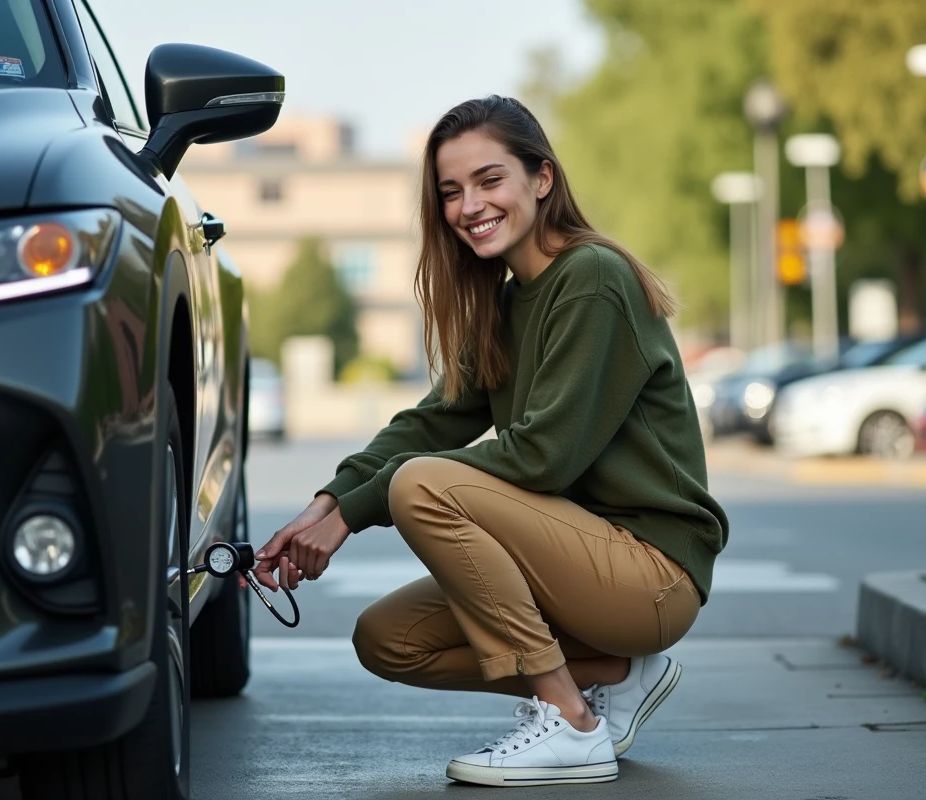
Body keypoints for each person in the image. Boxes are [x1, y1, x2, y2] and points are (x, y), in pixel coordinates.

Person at [250, 95, 729, 788]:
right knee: (389, 640)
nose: (469, 204)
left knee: (421, 484)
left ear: (542, 179)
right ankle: (616, 675)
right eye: (450, 191)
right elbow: (432, 419)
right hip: (576, 566)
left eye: (488, 180)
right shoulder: (508, 303)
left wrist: (358, 513)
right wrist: (323, 506)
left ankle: (571, 724)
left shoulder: (592, 279)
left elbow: (542, 456)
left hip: (650, 574)